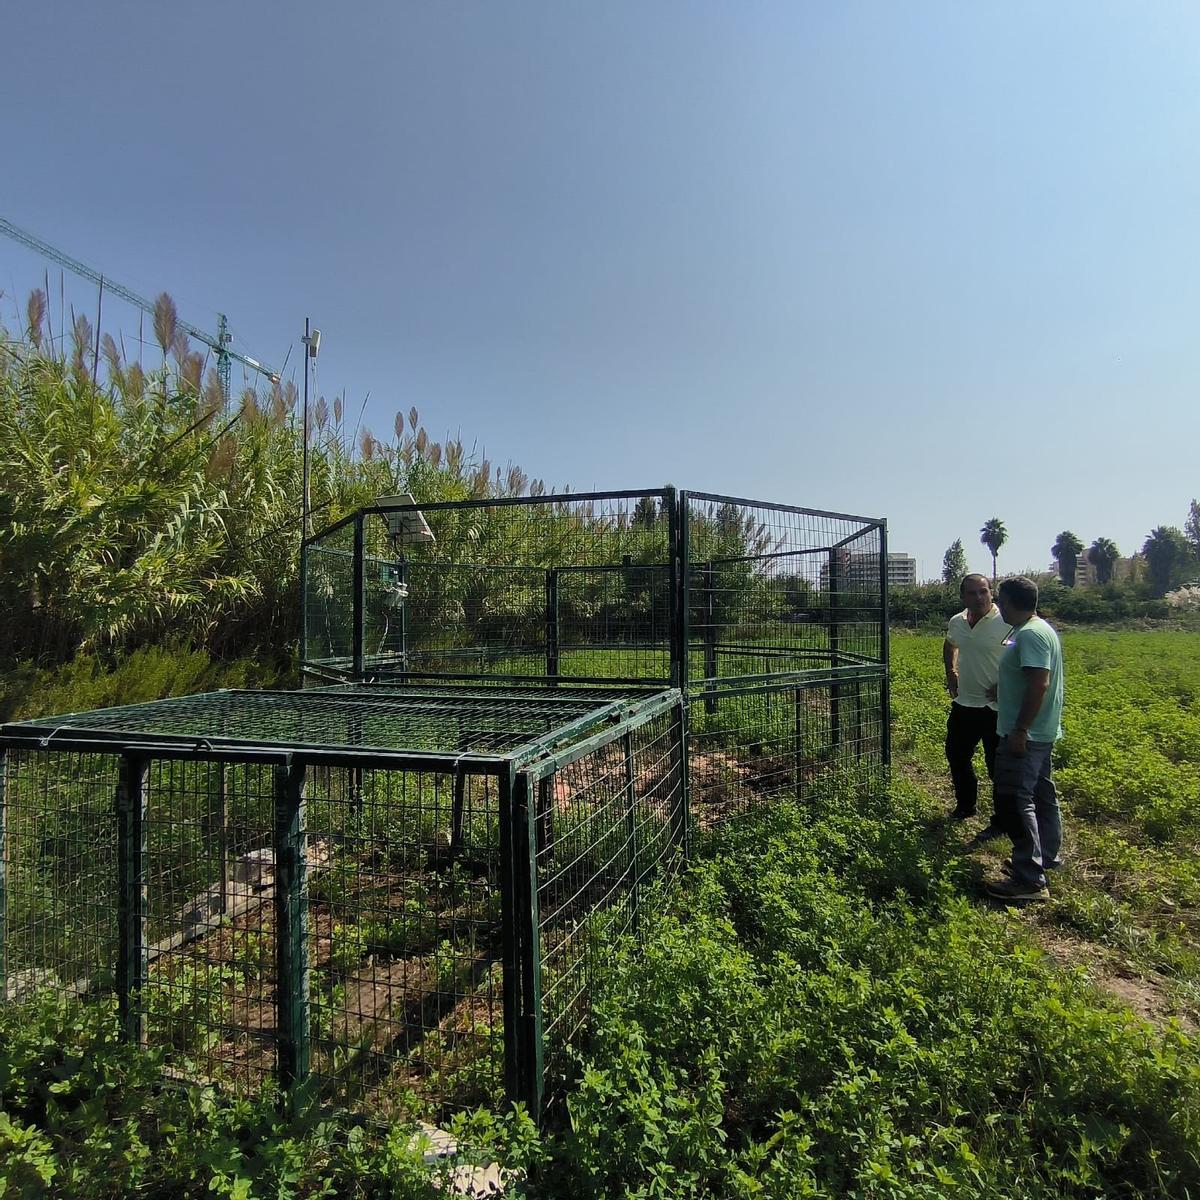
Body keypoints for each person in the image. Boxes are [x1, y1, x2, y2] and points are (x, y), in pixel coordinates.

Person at [985, 576, 1065, 903]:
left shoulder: (1030, 634)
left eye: (1000, 600)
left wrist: (1020, 730)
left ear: (1010, 602)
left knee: (1015, 800)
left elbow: (1038, 684)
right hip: (1039, 730)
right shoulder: (1030, 629)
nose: (997, 605)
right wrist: (1003, 689)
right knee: (1042, 794)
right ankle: (1045, 857)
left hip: (1026, 733)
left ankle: (1030, 879)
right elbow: (1025, 675)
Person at [943, 573, 1009, 823]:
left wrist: (1008, 686)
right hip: (965, 704)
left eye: (984, 591)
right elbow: (950, 644)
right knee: (957, 756)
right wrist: (951, 672)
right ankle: (966, 806)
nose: (979, 597)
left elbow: (1024, 655)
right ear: (963, 597)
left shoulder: (1006, 621)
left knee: (997, 767)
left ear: (992, 592)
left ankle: (1003, 820)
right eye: (973, 593)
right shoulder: (957, 621)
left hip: (996, 707)